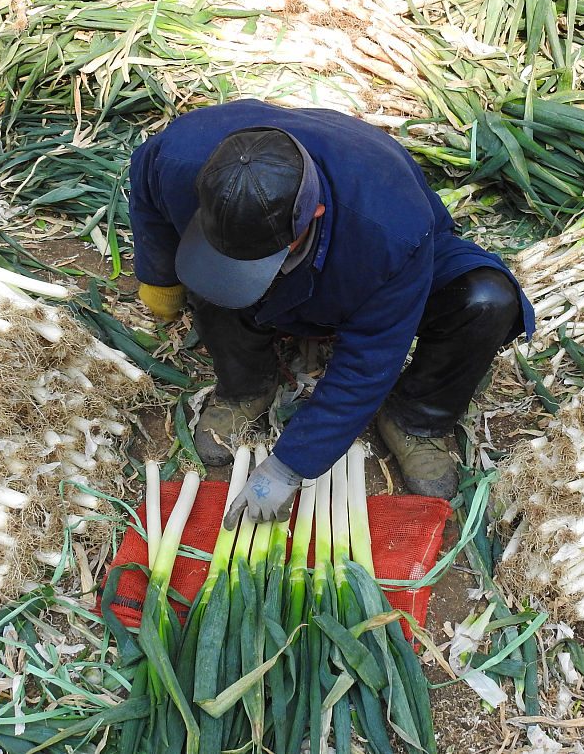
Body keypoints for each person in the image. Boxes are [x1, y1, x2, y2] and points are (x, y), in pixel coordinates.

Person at [129, 99, 533, 528]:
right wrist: (159, 277)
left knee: (488, 299)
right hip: (256, 243)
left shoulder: (392, 229)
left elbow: (368, 360)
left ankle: (415, 419)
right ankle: (245, 387)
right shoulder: (180, 154)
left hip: (362, 254)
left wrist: (289, 465)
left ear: (313, 214)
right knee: (209, 277)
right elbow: (148, 195)